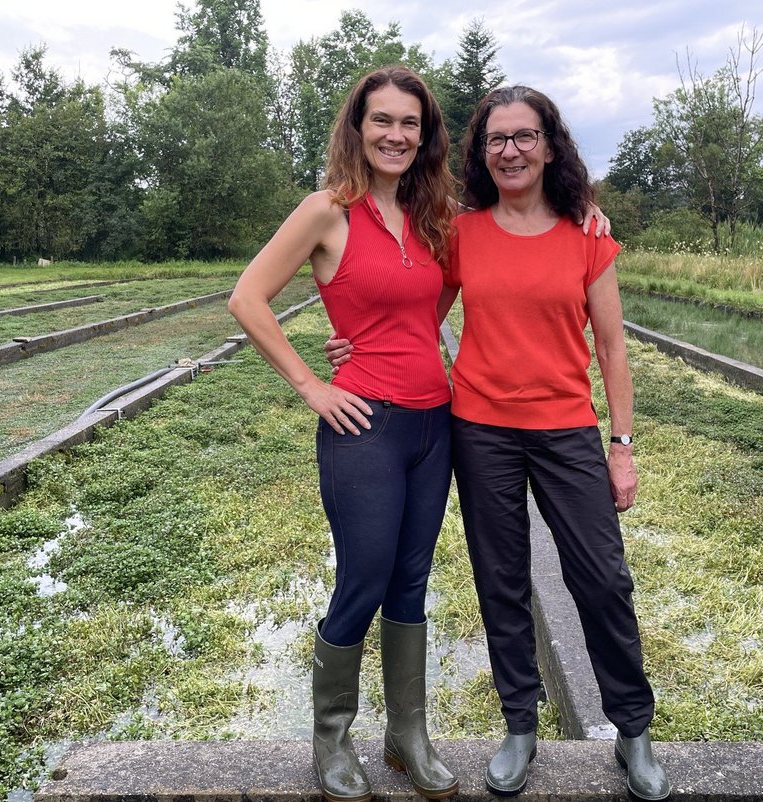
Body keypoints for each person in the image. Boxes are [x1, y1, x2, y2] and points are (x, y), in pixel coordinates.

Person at [329, 85, 669, 801]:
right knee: (501, 580)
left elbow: (611, 349)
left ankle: (632, 731)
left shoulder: (588, 235)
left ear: (550, 145)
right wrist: (358, 344)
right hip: (480, 429)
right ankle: (521, 727)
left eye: (524, 136)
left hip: (567, 430)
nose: (509, 150)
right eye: (496, 139)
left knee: (603, 579)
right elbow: (421, 312)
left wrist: (622, 442)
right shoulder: (462, 232)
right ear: (482, 151)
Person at [228, 65, 459, 802]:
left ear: (425, 136)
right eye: (382, 120)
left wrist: (383, 330)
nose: (396, 135)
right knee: (363, 578)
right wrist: (312, 384)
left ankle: (406, 737)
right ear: (358, 128)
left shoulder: (433, 215)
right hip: (365, 427)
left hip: (435, 424)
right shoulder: (328, 210)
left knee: (412, 583)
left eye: (410, 123)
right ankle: (332, 741)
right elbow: (248, 298)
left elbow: (444, 290)